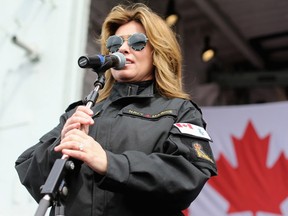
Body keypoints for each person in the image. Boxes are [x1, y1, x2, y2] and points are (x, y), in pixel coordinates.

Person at [15, 3, 217, 216]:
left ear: (159, 51)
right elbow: (27, 168)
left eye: (137, 42)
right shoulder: (83, 111)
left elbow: (189, 175)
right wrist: (59, 144)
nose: (122, 48)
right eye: (115, 43)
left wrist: (109, 163)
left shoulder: (178, 110)